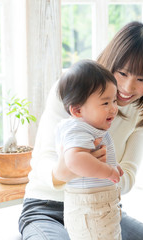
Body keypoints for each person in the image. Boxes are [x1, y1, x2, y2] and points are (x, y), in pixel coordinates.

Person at [19, 21, 143, 240]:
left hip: (101, 208)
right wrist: (69, 168)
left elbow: (128, 176)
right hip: (47, 208)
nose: (128, 88)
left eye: (142, 79)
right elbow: (43, 161)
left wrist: (105, 171)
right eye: (122, 73)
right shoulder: (73, 89)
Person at [55, 60, 123, 239]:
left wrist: (114, 166)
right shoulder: (78, 128)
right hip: (90, 208)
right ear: (77, 111)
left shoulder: (91, 128)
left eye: (114, 100)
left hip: (100, 206)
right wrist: (108, 171)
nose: (114, 108)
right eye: (105, 103)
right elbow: (75, 160)